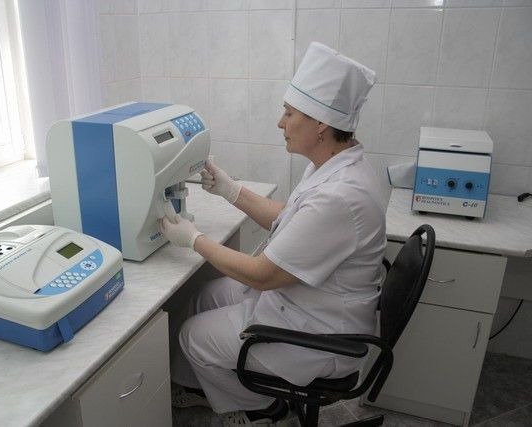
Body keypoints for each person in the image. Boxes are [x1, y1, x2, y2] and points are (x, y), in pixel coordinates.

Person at [159, 42, 388, 427]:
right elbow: (293, 220)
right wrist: (231, 190)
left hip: (321, 334)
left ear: (320, 124)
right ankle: (201, 387)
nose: (281, 123)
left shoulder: (340, 196)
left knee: (192, 336)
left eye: (289, 113)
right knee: (202, 296)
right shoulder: (333, 165)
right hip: (307, 299)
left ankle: (260, 407)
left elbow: (262, 275)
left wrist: (194, 239)